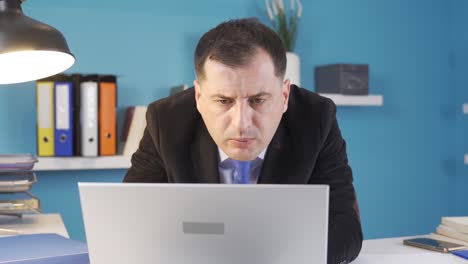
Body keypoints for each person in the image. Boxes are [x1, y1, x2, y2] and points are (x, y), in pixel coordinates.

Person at [124, 18, 362, 264]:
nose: (241, 123)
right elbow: (130, 222)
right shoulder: (166, 120)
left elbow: (345, 229)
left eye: (258, 100)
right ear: (198, 96)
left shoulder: (316, 118)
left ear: (284, 96)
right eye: (223, 101)